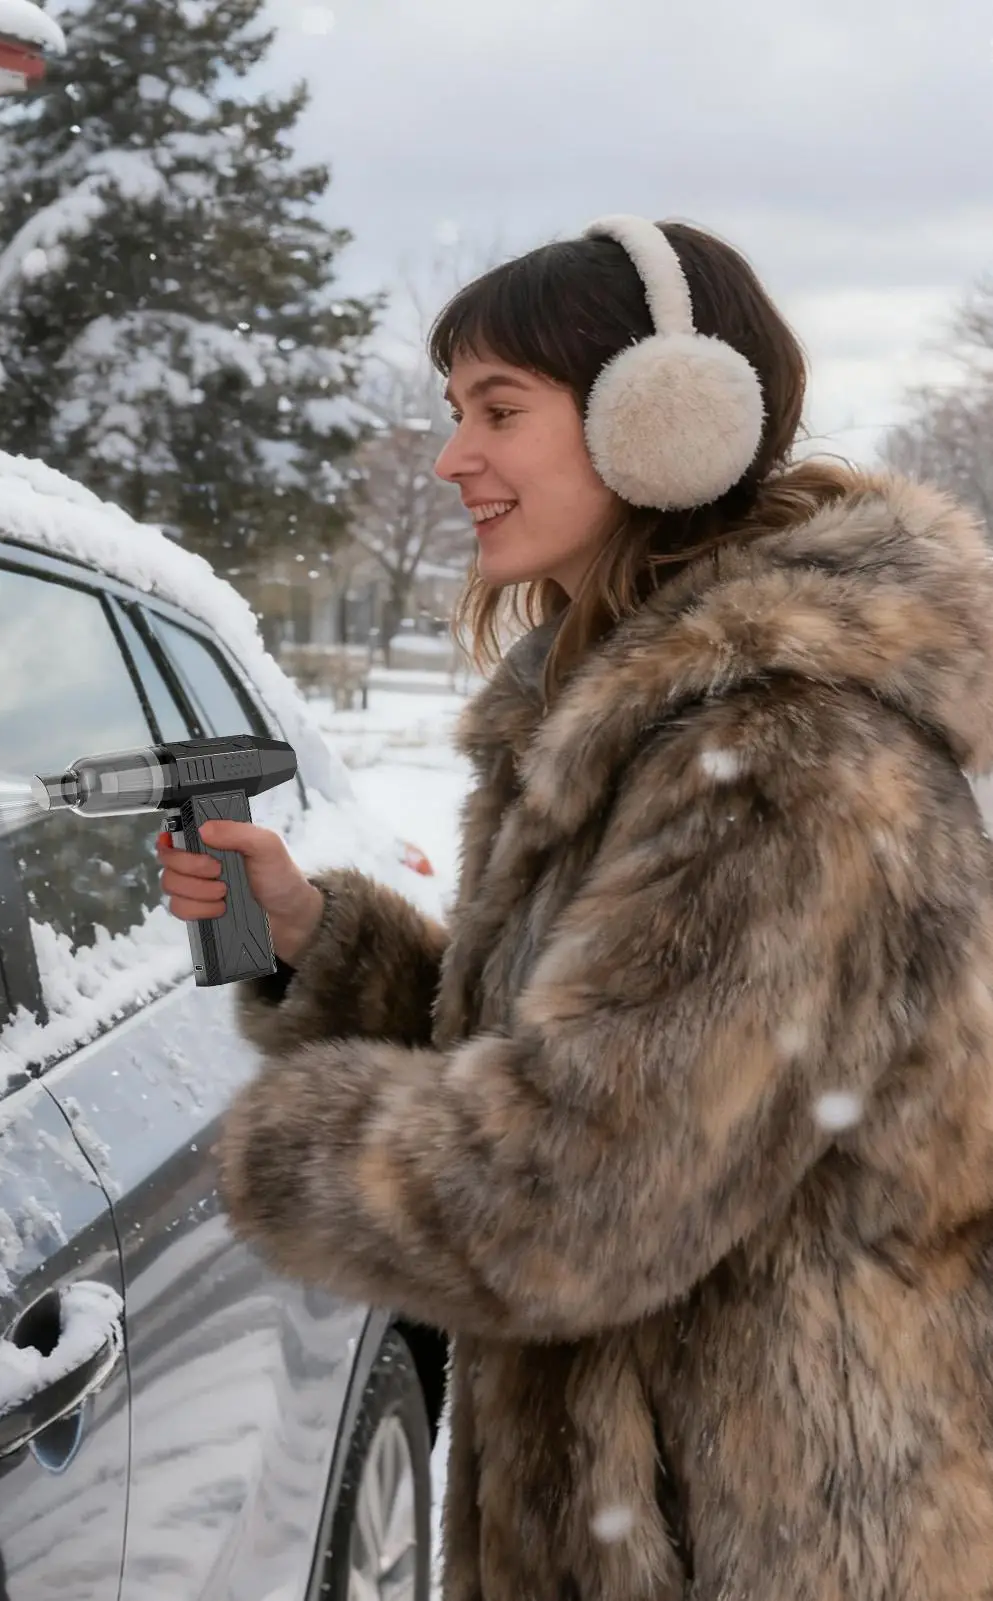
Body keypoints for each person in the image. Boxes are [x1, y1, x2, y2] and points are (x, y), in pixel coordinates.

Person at [157, 215, 993, 1599]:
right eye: (451, 410)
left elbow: (573, 1200)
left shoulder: (781, 758)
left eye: (500, 409)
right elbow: (605, 1055)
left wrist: (281, 1151)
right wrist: (325, 946)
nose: (451, 457)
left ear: (666, 424)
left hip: (770, 1538)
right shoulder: (650, 725)